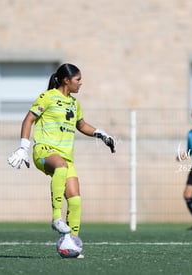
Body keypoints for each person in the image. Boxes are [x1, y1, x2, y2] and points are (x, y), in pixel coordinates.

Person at [7, 63, 116, 238]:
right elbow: (28, 120)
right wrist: (23, 148)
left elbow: (81, 125)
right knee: (61, 166)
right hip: (44, 151)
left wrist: (100, 134)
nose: (80, 83)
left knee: (75, 199)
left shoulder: (74, 103)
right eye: (78, 79)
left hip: (66, 158)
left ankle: (71, 242)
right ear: (66, 80)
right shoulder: (47, 97)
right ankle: (56, 217)